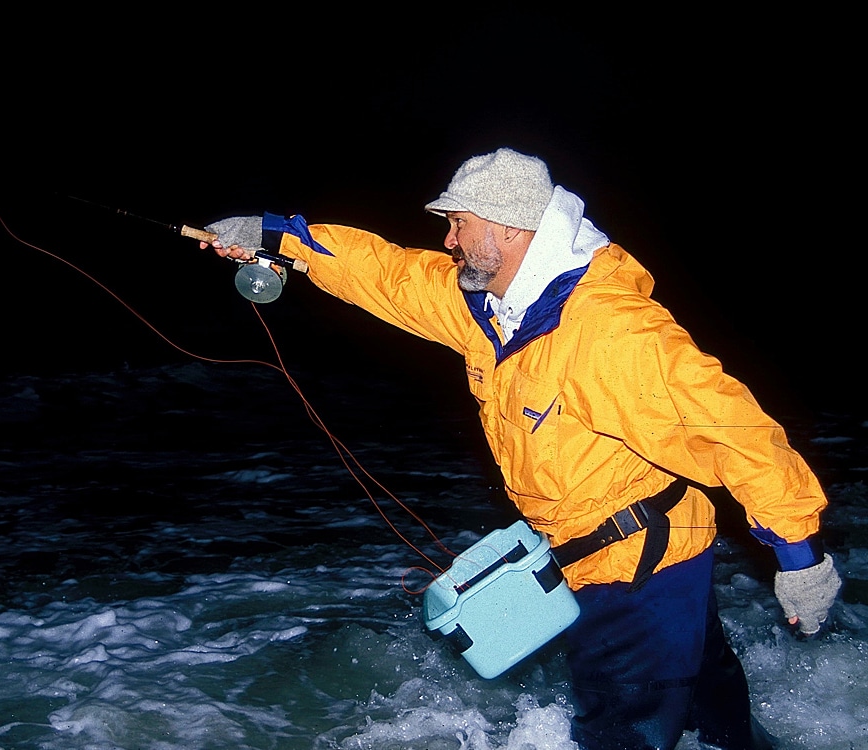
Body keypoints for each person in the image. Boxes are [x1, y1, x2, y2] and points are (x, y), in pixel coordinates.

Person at [200, 148, 842, 750]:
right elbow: (392, 275)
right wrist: (277, 235)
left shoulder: (609, 331)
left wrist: (799, 557)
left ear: (507, 227)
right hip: (641, 542)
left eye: (457, 223)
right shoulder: (492, 306)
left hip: (638, 567)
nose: (447, 239)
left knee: (621, 725)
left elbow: (735, 430)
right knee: (708, 703)